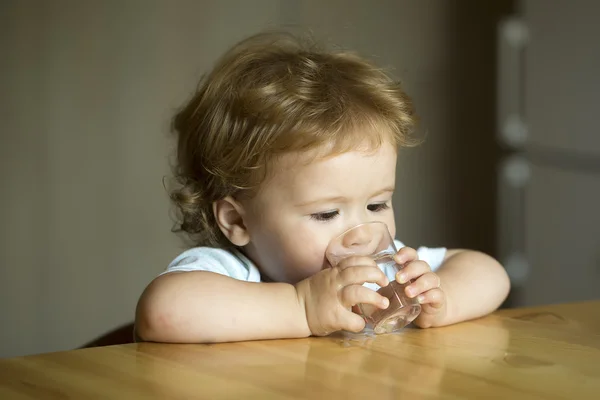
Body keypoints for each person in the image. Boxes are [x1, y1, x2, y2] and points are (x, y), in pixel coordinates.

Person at [135, 32, 510, 343]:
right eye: (327, 213)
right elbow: (163, 312)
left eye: (377, 205)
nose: (361, 235)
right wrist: (301, 307)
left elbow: (490, 272)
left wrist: (442, 298)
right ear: (238, 221)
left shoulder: (387, 271)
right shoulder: (230, 273)